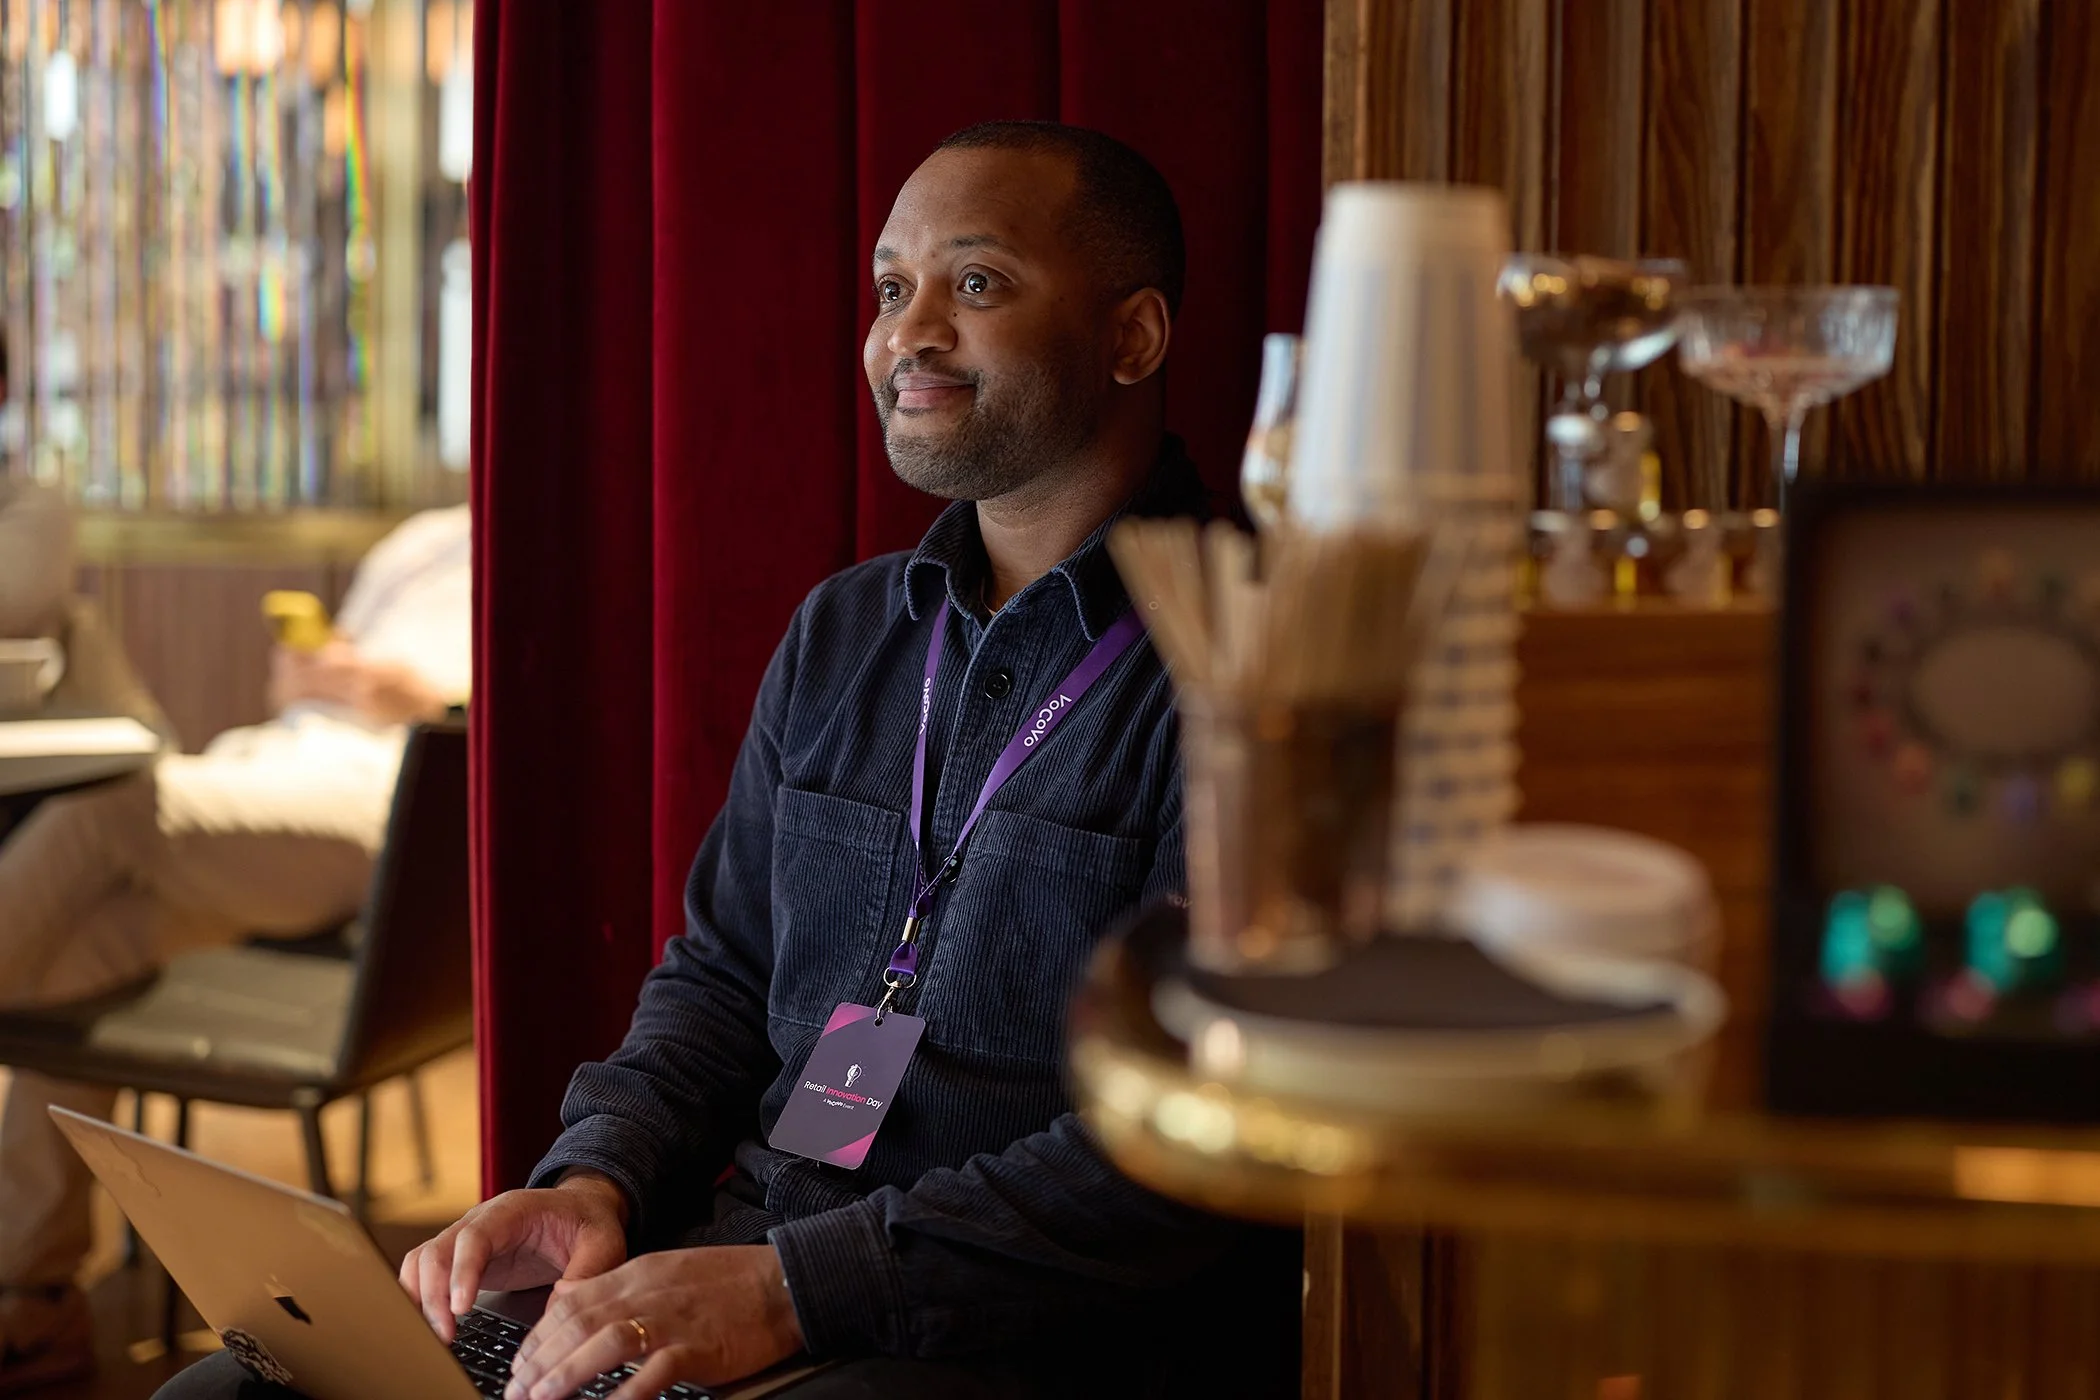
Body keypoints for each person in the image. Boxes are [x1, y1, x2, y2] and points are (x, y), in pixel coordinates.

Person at [154, 122, 1298, 1400]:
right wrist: (596, 1175)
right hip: (741, 1263)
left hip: (1007, 1335)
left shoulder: (1248, 661)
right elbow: (718, 977)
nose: (908, 334)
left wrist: (794, 1288)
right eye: (889, 288)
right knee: (237, 1390)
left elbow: (1197, 1143)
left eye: (974, 285)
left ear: (1133, 337)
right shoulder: (847, 632)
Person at [0, 504, 471, 1392]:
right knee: (91, 956)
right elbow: (290, 693)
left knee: (110, 806)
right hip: (275, 767)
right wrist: (310, 683)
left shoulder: (562, 547)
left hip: (387, 802)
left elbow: (536, 723)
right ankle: (32, 1293)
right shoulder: (419, 541)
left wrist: (403, 697)